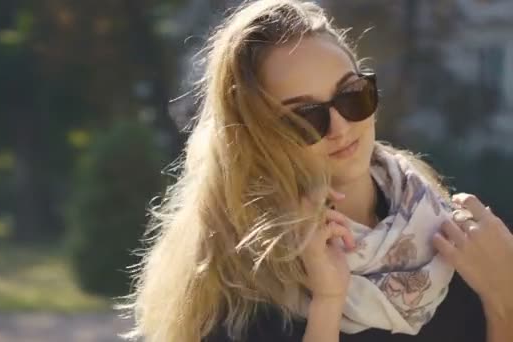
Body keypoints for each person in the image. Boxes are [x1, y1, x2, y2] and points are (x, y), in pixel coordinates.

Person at [118, 0, 513, 341]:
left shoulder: (448, 229)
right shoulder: (238, 287)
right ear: (257, 139)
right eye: (304, 117)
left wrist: (505, 301)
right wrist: (327, 304)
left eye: (352, 95)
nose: (341, 126)